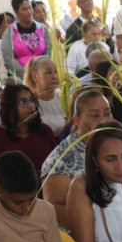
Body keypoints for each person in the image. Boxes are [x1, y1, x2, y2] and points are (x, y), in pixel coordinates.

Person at [42, 89, 112, 227]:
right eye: (95, 115)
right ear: (78, 120)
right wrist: (98, 228)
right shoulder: (61, 159)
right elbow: (54, 207)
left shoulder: (118, 144)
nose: (103, 120)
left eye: (107, 113)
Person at [0, 84, 57, 196]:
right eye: (23, 102)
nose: (31, 106)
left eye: (32, 100)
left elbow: (56, 164)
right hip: (11, 196)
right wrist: (11, 196)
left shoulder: (44, 131)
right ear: (10, 107)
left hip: (46, 190)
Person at [1, 0, 51, 80]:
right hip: (20, 77)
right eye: (24, 9)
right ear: (16, 12)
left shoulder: (42, 28)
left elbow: (48, 51)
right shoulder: (10, 31)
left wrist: (41, 71)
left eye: (30, 8)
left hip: (42, 75)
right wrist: (26, 73)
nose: (28, 11)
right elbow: (8, 57)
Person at [23, 56, 66, 134]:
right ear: (35, 76)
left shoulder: (64, 96)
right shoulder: (29, 103)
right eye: (48, 72)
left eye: (56, 72)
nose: (54, 76)